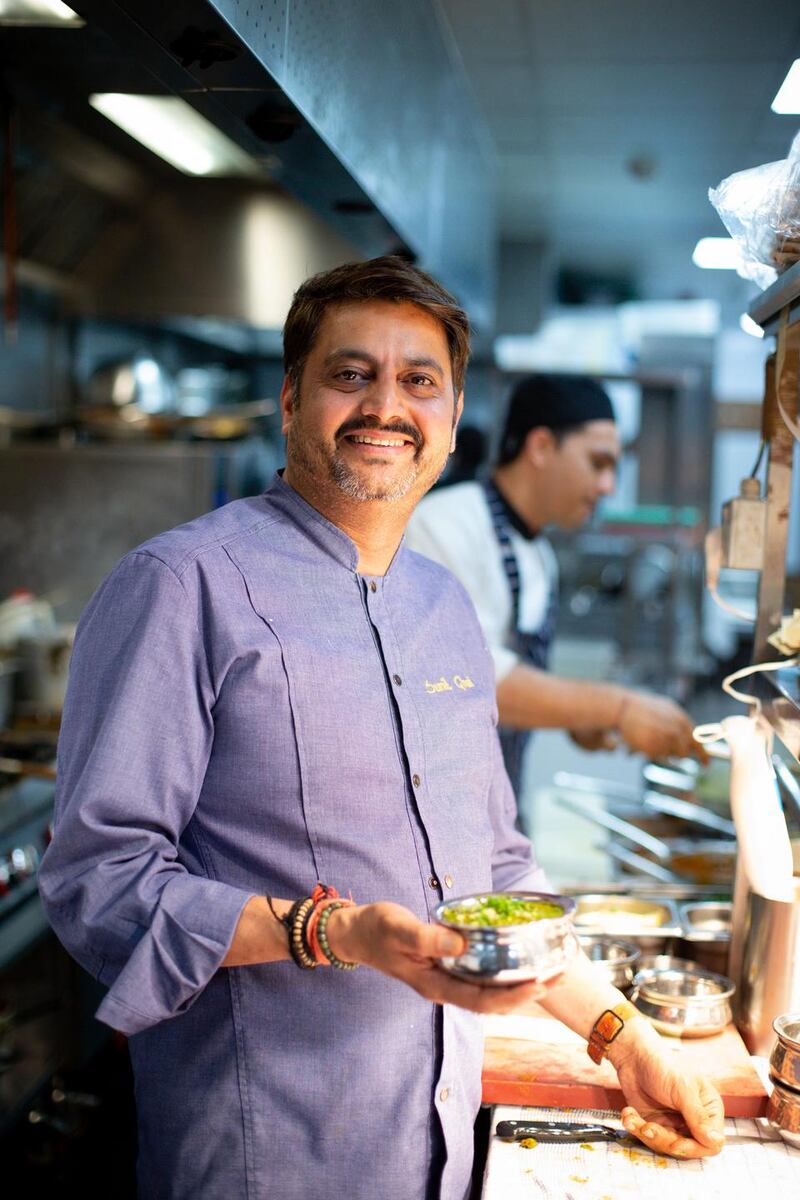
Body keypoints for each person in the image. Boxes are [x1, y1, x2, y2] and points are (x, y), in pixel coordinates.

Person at [39, 258, 724, 1200]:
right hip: (265, 1159)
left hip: (437, 1152)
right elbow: (98, 880)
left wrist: (624, 1036)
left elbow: (498, 874)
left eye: (419, 381)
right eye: (351, 374)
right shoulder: (180, 586)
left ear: (452, 417)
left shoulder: (445, 606)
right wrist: (331, 931)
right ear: (291, 399)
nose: (386, 407)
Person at [406, 373, 703, 797]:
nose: (608, 486)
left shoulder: (541, 558)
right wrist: (616, 708)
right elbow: (466, 680)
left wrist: (577, 718)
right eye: (598, 464)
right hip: (430, 798)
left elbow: (518, 681)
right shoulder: (443, 525)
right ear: (541, 446)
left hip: (495, 799)